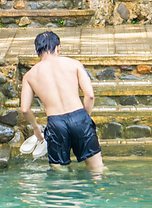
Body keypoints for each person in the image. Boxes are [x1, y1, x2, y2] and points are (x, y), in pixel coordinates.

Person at [20, 31, 104, 172]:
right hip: (79, 117)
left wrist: (36, 127)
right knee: (97, 169)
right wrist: (84, 118)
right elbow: (89, 95)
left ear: (37, 52)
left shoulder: (29, 76)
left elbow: (24, 109)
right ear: (58, 48)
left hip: (55, 123)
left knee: (60, 174)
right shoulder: (74, 64)